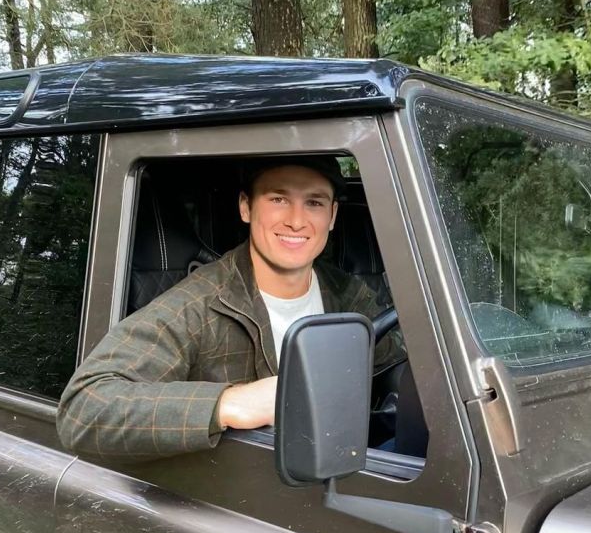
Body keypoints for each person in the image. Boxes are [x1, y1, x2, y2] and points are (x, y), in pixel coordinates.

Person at [57, 155, 399, 459]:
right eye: (278, 198)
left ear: (333, 215)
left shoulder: (350, 295)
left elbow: (401, 371)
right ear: (246, 207)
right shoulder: (199, 304)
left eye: (314, 202)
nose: (297, 221)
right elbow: (83, 408)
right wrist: (228, 404)